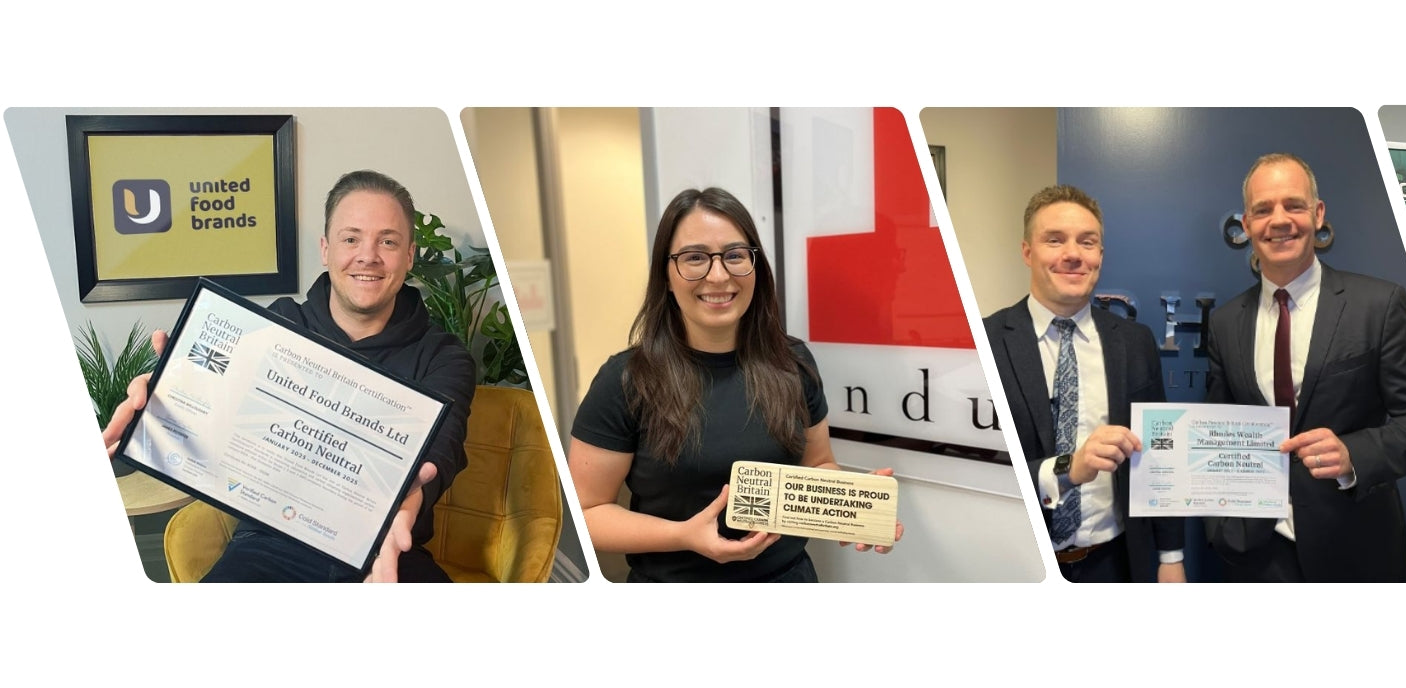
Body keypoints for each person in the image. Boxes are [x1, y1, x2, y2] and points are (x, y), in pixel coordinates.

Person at [100, 170, 474, 583]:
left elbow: (442, 447)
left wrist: (410, 497)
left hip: (386, 551)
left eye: (388, 241)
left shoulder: (444, 356)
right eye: (351, 239)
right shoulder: (276, 325)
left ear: (409, 255)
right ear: (326, 250)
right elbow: (218, 406)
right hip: (270, 543)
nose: (368, 256)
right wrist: (167, 398)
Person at [566, 187, 902, 583]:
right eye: (695, 257)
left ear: (755, 267)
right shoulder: (625, 380)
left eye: (735, 255)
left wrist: (849, 504)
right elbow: (586, 512)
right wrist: (683, 536)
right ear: (666, 276)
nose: (719, 275)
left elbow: (817, 463)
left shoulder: (792, 362)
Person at [1201, 152, 1406, 582]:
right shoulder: (1225, 323)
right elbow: (1218, 427)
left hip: (1355, 546)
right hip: (1258, 553)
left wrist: (1354, 454)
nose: (1279, 220)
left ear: (1317, 214)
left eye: (1293, 205)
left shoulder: (1377, 304)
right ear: (1247, 223)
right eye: (1263, 209)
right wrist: (1219, 526)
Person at [983, 184, 1185, 583]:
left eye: (1087, 242)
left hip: (1114, 563)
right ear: (1027, 252)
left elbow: (1160, 453)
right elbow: (981, 469)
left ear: (1100, 256)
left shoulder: (1135, 342)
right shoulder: (985, 341)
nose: (1073, 254)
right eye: (1054, 240)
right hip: (1020, 562)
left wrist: (1171, 555)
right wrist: (1066, 470)